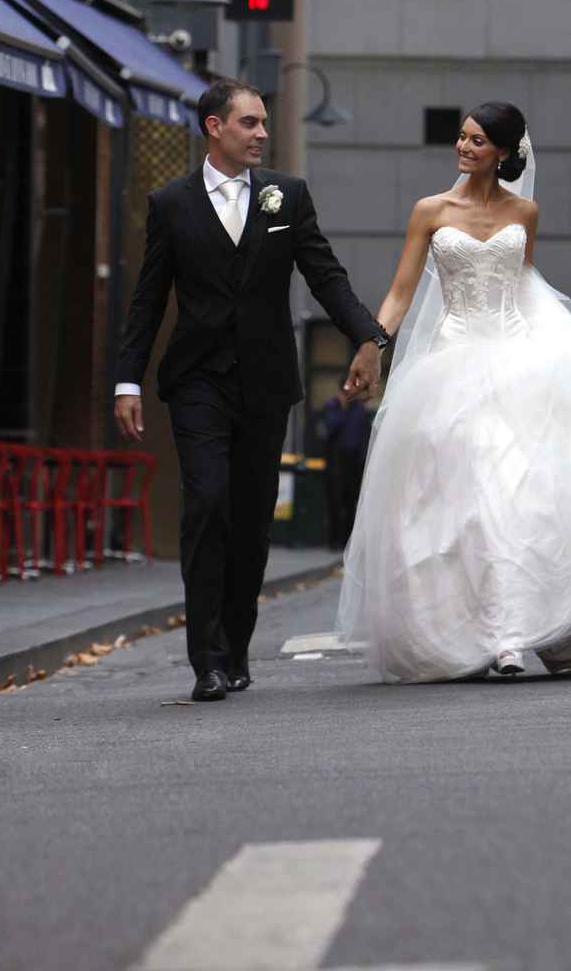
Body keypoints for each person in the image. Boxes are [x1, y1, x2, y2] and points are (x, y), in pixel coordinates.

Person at [336, 102, 571, 682]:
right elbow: (403, 291)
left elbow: (525, 284)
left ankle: (512, 636)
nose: (464, 147)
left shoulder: (525, 212)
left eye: (477, 140)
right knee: (458, 499)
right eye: (461, 137)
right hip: (450, 363)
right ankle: (468, 633)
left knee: (518, 492)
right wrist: (374, 344)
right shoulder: (430, 211)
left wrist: (563, 359)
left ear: (504, 152)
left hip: (517, 356)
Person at [114, 79, 388, 703]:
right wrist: (127, 379)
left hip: (266, 383)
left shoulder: (285, 196)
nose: (263, 132)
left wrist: (368, 336)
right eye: (250, 123)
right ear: (215, 127)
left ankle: (235, 646)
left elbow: (325, 274)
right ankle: (205, 659)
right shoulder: (171, 203)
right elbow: (147, 301)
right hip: (197, 383)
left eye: (264, 123)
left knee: (250, 522)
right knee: (206, 503)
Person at [321, 389, 372, 549]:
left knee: (351, 503)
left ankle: (346, 540)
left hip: (354, 462)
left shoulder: (359, 408)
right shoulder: (332, 406)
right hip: (336, 462)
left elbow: (364, 434)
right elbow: (331, 427)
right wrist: (342, 409)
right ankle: (333, 540)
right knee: (335, 502)